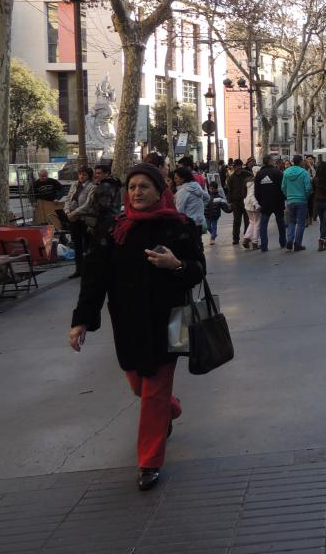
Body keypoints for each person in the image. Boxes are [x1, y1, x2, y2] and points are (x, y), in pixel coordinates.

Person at [68, 162, 204, 492]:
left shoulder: (181, 226)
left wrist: (177, 265)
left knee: (154, 391)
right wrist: (82, 320)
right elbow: (94, 279)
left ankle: (149, 462)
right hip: (127, 321)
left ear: (160, 190)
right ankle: (170, 408)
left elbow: (197, 270)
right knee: (139, 385)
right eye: (132, 188)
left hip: (173, 319)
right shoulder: (116, 230)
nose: (137, 192)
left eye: (144, 186)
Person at [64, 166, 95, 279]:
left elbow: (88, 204)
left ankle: (89, 269)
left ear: (89, 176)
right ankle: (79, 269)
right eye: (80, 174)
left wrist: (75, 212)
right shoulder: (75, 185)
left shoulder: (92, 187)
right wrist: (67, 212)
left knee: (87, 244)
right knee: (77, 245)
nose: (81, 176)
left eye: (84, 174)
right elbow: (68, 199)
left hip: (85, 219)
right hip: (73, 219)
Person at [281, 155, 313, 252]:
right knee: (301, 223)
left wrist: (288, 196)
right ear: (301, 162)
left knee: (291, 221)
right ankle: (297, 244)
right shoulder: (304, 173)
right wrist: (306, 196)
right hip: (301, 200)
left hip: (290, 200)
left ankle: (290, 240)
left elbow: (283, 187)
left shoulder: (286, 173)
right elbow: (308, 188)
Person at [254, 155, 286, 252]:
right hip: (278, 203)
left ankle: (264, 246)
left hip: (265, 203)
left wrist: (260, 201)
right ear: (271, 161)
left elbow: (256, 191)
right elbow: (283, 187)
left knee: (263, 225)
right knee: (281, 223)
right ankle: (283, 242)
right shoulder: (278, 173)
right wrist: (283, 198)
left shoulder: (259, 174)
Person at [172, 166, 209, 241]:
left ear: (183, 178)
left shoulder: (183, 192)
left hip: (189, 224)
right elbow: (207, 197)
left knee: (192, 247)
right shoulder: (196, 186)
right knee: (199, 244)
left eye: (176, 178)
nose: (174, 180)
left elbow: (179, 211)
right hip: (199, 222)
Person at [91, 164, 123, 243]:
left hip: (105, 221)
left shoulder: (106, 185)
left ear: (107, 174)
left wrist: (93, 208)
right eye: (95, 173)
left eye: (99, 173)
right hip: (112, 219)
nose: (96, 175)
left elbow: (103, 205)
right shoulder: (113, 184)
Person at [226, 159, 251, 245]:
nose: (238, 168)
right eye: (236, 166)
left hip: (246, 201)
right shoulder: (231, 177)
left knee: (247, 220)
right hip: (236, 202)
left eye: (239, 166)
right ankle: (235, 238)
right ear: (234, 167)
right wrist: (230, 201)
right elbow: (229, 190)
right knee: (236, 221)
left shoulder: (247, 174)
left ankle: (247, 237)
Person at [311, 159, 326, 252]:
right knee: (325, 223)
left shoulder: (315, 179)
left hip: (317, 202)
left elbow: (312, 189)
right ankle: (321, 240)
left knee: (322, 222)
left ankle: (324, 239)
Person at [241, 173, 261, 249]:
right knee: (257, 223)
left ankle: (246, 239)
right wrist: (257, 205)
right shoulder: (254, 183)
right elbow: (252, 195)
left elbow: (246, 195)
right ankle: (255, 242)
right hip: (253, 205)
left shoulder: (247, 182)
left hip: (247, 205)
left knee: (252, 222)